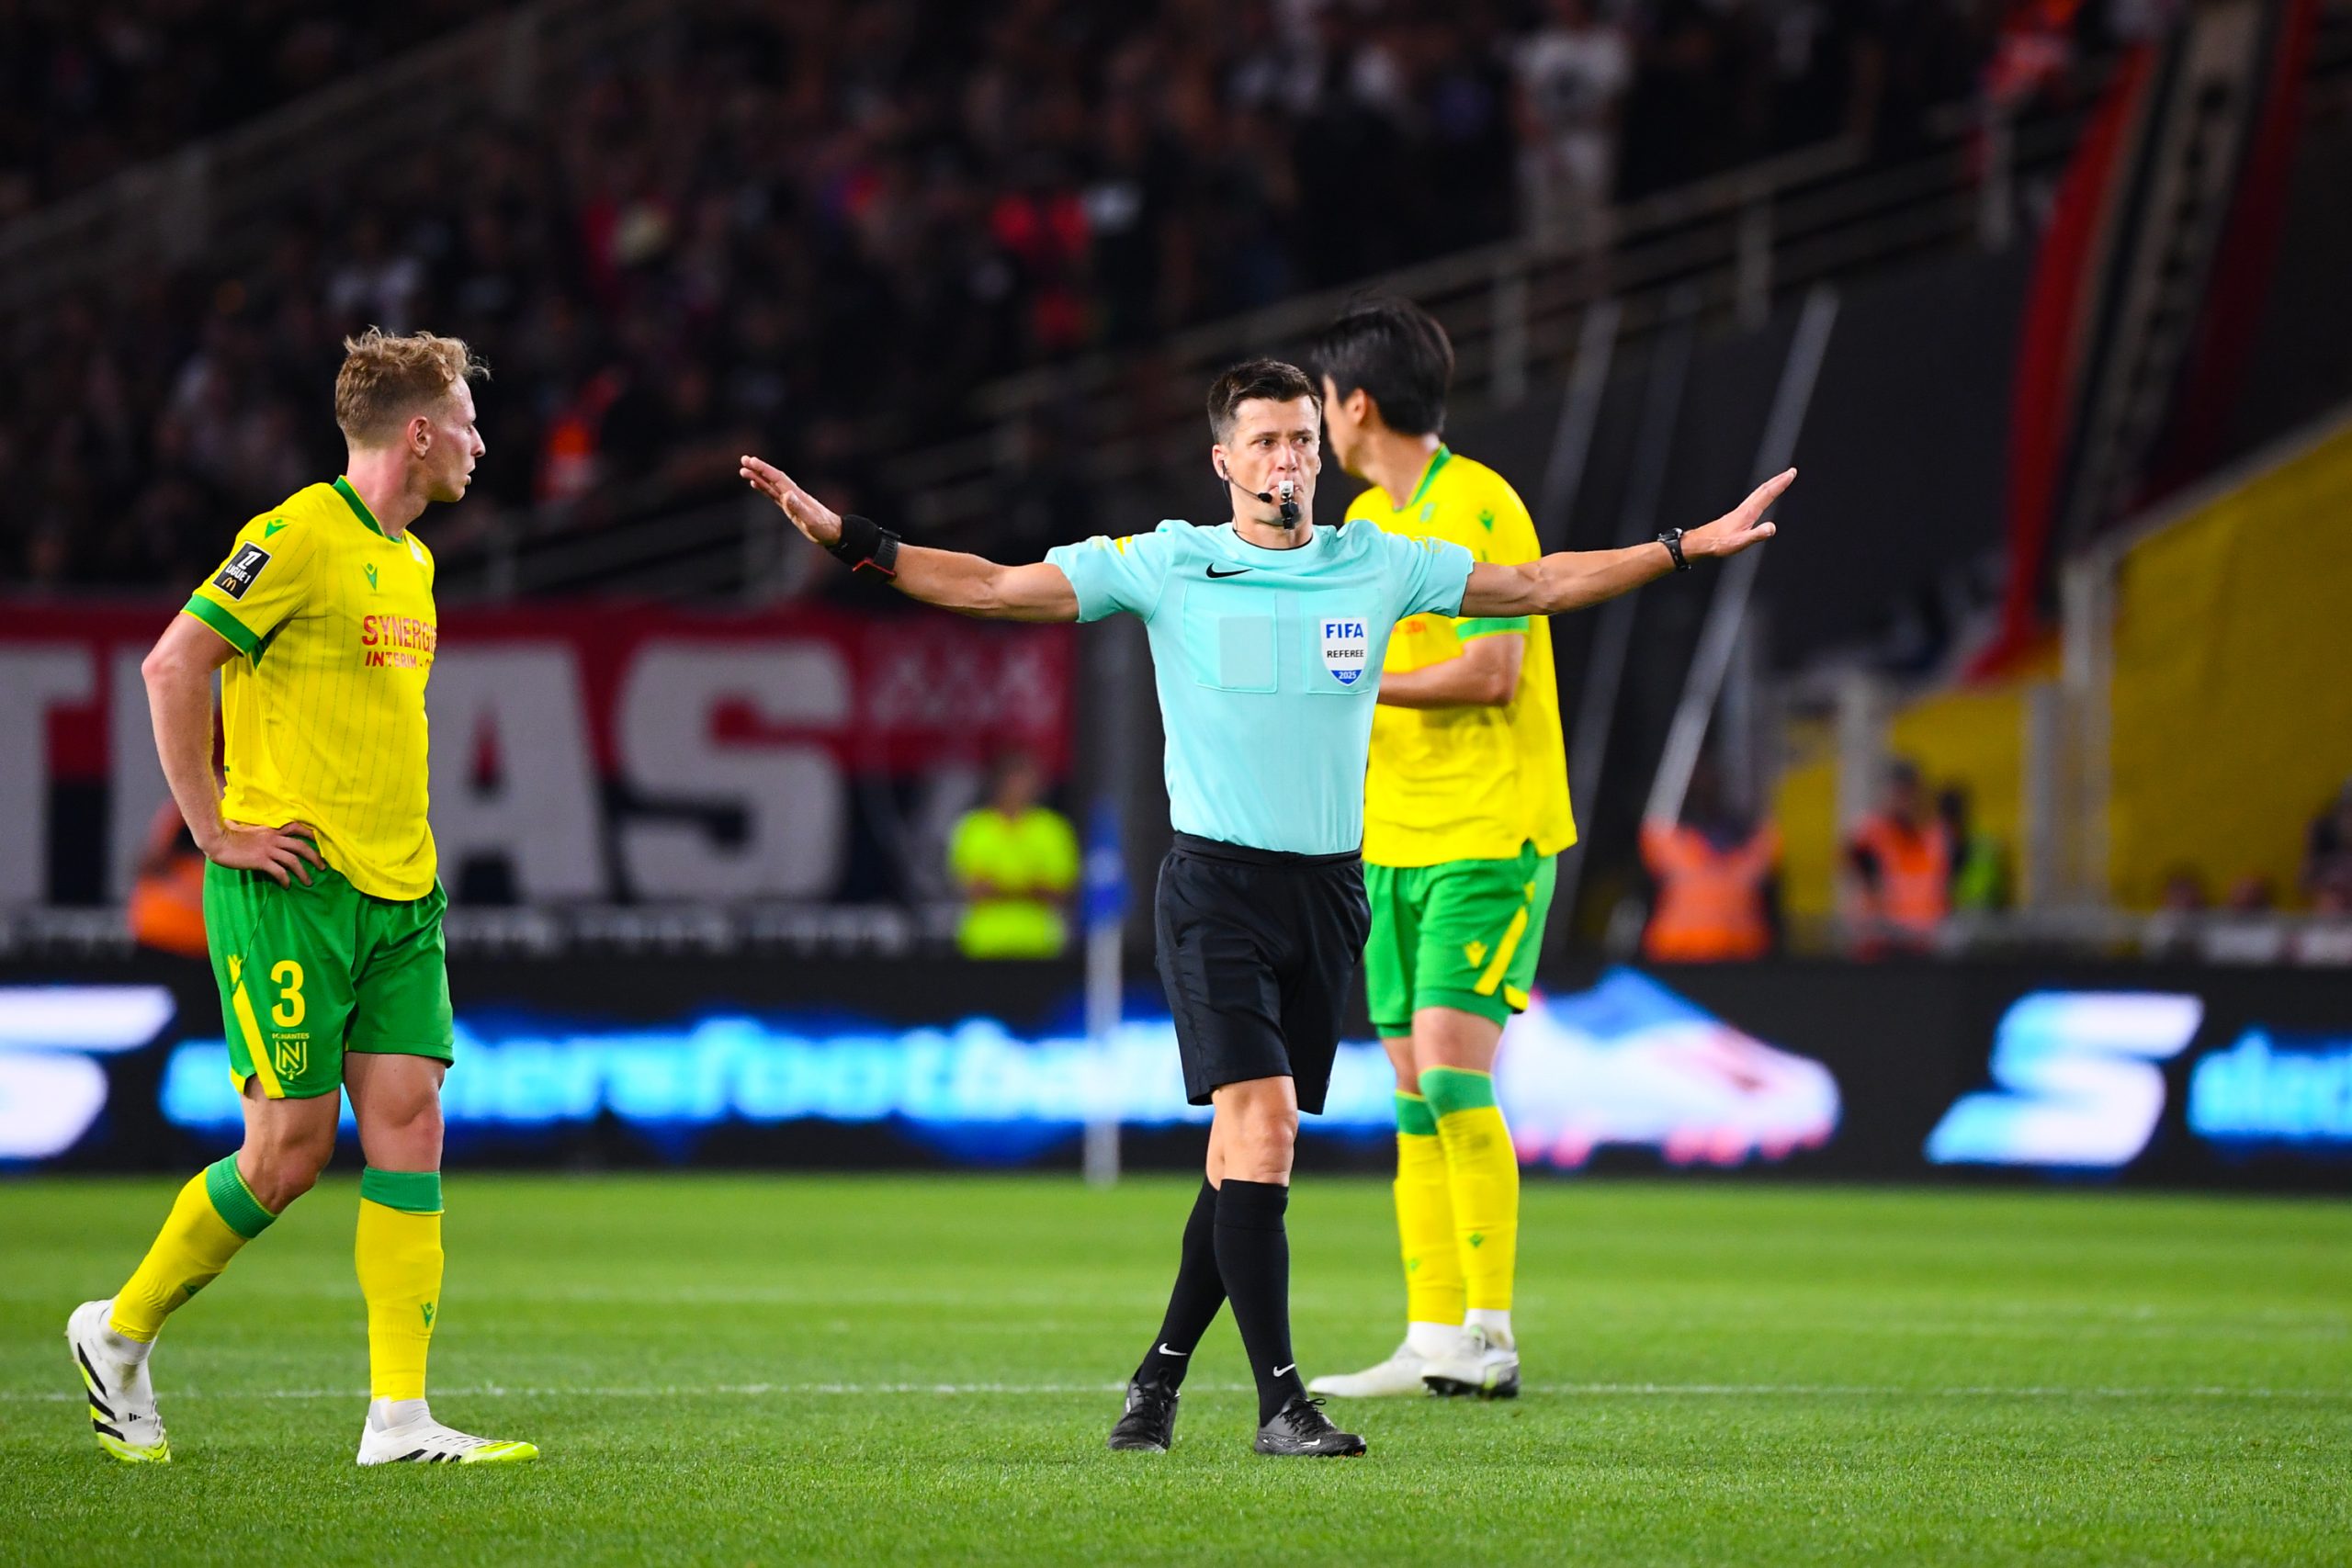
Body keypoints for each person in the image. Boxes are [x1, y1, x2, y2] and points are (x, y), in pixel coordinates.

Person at [741, 358, 1791, 1457]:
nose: (1288, 459)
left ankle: (1155, 1382)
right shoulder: (1168, 563)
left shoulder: (1373, 562)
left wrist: (1683, 548)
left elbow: (1534, 586)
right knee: (1268, 1127)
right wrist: (850, 540)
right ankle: (1280, 1405)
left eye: (1301, 439)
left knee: (1238, 1155)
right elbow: (995, 588)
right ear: (1223, 461)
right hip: (1215, 891)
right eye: (1265, 442)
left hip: (1328, 894)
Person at [67, 329, 536, 1468]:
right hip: (293, 890)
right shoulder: (292, 536)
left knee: (411, 1123)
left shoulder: (413, 561)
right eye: (467, 423)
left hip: (401, 893)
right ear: (417, 433)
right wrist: (212, 829)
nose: (479, 443)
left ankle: (400, 1421)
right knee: (286, 1155)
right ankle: (117, 1334)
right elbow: (172, 665)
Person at [1296, 299, 1573, 1404]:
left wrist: (1360, 686)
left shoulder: (1479, 503)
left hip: (1487, 829)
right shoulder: (1364, 520)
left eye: (1324, 399)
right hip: (1394, 840)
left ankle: (1489, 1334)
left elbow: (1492, 672)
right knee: (1412, 1093)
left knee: (1455, 1076)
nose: (1320, 420)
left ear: (1356, 403)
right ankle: (1431, 1337)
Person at [1638, 768, 1781, 964]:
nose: (1705, 786)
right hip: (1676, 955)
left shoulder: (1757, 842)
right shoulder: (1663, 840)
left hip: (1742, 956)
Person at [948, 750, 1080, 958]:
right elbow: (972, 888)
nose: (1020, 789)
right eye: (1014, 781)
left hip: (1039, 943)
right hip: (984, 943)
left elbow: (1060, 890)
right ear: (999, 783)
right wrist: (1027, 885)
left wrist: (1001, 884)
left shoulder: (1053, 829)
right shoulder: (974, 828)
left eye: (1026, 782)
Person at [1844, 758, 1950, 953]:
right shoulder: (1871, 834)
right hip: (1880, 942)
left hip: (1925, 942)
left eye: (1907, 792)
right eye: (1897, 792)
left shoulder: (1935, 835)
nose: (1902, 800)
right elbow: (1863, 870)